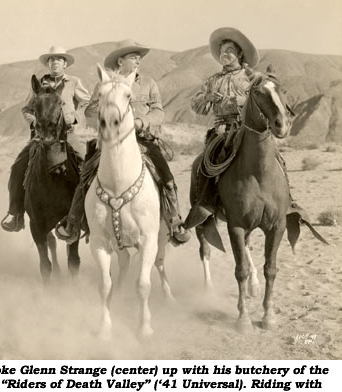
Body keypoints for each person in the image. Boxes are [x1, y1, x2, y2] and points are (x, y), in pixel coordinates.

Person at [55, 39, 190, 246]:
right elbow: (89, 112)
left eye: (139, 57)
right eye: (133, 56)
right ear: (120, 61)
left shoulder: (148, 83)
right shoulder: (104, 85)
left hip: (143, 140)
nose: (138, 60)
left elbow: (158, 111)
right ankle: (73, 223)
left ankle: (174, 221)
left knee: (167, 178)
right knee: (86, 176)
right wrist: (104, 120)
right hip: (109, 142)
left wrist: (140, 122)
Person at [1, 46, 91, 232]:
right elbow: (26, 108)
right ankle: (15, 213)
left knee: (87, 165)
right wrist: (34, 121)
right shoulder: (40, 83)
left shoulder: (74, 82)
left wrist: (74, 116)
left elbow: (87, 104)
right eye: (51, 60)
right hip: (40, 137)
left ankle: (88, 217)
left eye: (59, 59)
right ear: (48, 64)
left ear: (65, 63)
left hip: (68, 135)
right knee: (17, 167)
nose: (55, 62)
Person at [186, 27, 260, 227]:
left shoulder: (251, 78)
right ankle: (204, 205)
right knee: (199, 164)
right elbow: (197, 106)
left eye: (229, 50)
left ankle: (289, 202)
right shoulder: (213, 80)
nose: (224, 54)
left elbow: (262, 100)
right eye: (221, 51)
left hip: (248, 129)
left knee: (274, 158)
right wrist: (208, 97)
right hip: (221, 131)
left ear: (240, 53)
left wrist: (234, 100)